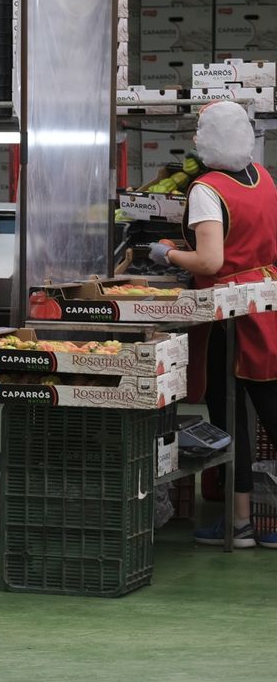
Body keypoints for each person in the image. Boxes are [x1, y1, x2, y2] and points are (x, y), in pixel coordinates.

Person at [150, 101, 277, 548]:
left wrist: (168, 253)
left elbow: (210, 260)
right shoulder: (263, 179)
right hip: (268, 303)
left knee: (230, 417)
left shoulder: (208, 189)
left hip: (230, 315)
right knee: (270, 413)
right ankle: (244, 522)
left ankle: (238, 522)